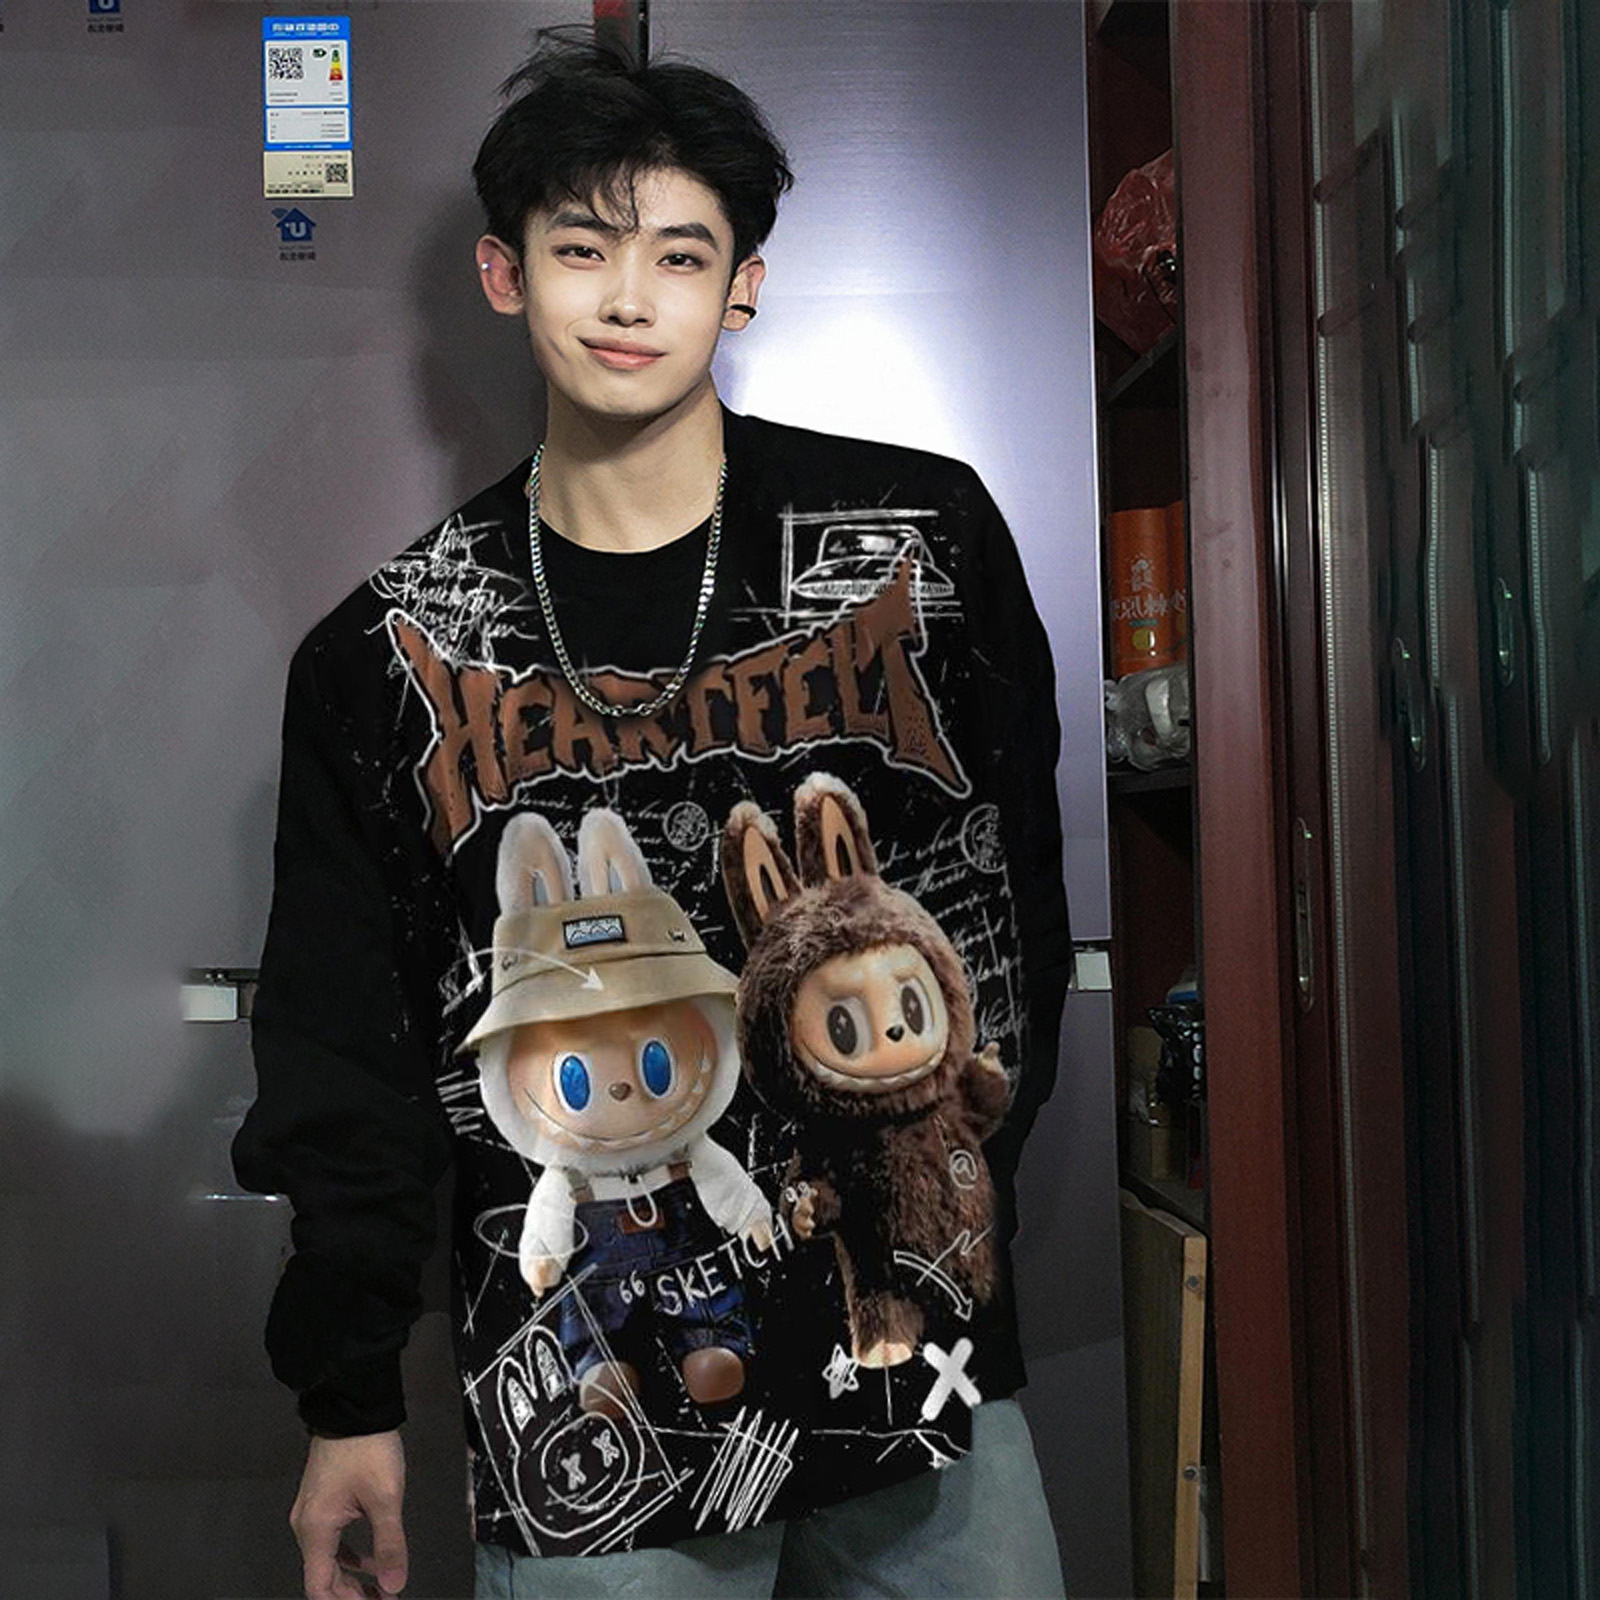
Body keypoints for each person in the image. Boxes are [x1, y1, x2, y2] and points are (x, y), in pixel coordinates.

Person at [234, 33, 1073, 1600]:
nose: (629, 298)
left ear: (743, 289)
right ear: (504, 275)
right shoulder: (386, 656)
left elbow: (1012, 907)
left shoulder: (921, 541)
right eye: (582, 249)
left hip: (914, 1361)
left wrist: (945, 1205)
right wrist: (347, 1399)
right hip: (595, 1413)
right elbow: (348, 1051)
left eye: (681, 256)